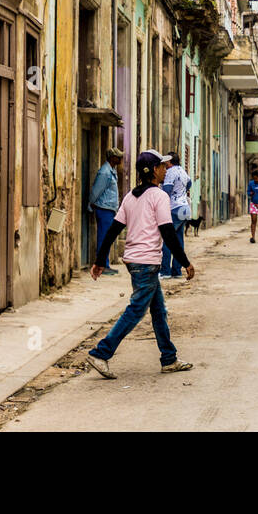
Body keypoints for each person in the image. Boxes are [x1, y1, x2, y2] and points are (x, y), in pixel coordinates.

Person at [87, 149, 195, 378]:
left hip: (136, 261)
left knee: (158, 310)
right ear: (154, 170)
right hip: (146, 262)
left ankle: (169, 358)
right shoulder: (159, 197)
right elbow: (167, 232)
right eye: (163, 167)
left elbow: (113, 231)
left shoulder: (130, 196)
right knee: (136, 310)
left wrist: (99, 260)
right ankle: (101, 353)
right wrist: (184, 262)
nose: (166, 170)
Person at [88, 148, 123, 275]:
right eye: (118, 157)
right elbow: (96, 190)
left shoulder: (111, 171)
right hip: (104, 209)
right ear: (112, 158)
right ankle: (102, 265)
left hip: (109, 209)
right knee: (104, 238)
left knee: (107, 238)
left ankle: (105, 264)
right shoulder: (105, 172)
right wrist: (90, 203)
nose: (120, 159)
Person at [159, 152, 191, 279]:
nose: (164, 165)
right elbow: (189, 184)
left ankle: (165, 271)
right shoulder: (182, 171)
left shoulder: (170, 172)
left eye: (166, 162)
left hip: (175, 207)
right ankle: (177, 270)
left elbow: (166, 190)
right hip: (184, 207)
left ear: (170, 162)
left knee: (167, 239)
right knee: (179, 241)